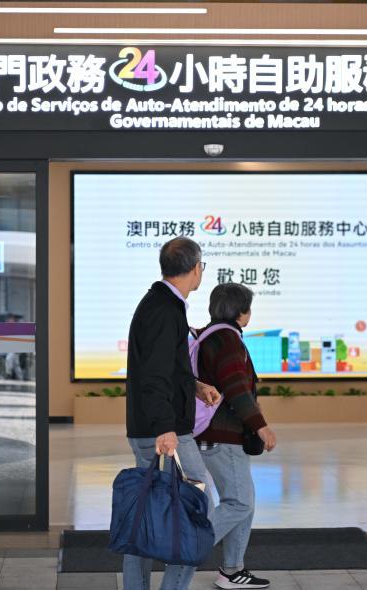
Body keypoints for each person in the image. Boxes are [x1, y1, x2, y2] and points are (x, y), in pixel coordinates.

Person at [124, 236, 222, 590]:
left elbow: (163, 367)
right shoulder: (165, 309)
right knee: (196, 509)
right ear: (195, 269)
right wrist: (165, 428)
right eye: (202, 266)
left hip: (152, 426)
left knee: (146, 514)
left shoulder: (160, 304)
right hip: (166, 431)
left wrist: (194, 385)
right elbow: (154, 376)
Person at [194, 283, 276, 590]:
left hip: (212, 434)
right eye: (248, 307)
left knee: (244, 502)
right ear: (242, 312)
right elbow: (236, 389)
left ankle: (232, 570)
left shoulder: (208, 335)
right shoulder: (227, 340)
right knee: (240, 503)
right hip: (223, 436)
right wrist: (261, 426)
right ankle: (190, 547)